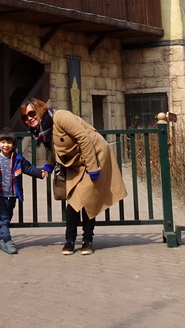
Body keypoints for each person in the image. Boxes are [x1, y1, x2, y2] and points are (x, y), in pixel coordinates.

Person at [20, 98, 127, 255]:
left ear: (41, 109)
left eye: (31, 113)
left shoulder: (61, 117)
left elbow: (84, 138)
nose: (29, 118)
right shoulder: (41, 130)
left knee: (88, 198)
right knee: (73, 200)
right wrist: (49, 166)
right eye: (24, 117)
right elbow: (55, 149)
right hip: (74, 164)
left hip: (94, 156)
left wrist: (92, 167)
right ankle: (70, 240)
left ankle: (87, 240)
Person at [0, 128, 45, 254]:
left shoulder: (17, 159)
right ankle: (8, 241)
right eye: (3, 142)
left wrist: (40, 172)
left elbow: (28, 168)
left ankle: (1, 240)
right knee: (2, 218)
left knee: (7, 217)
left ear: (13, 144)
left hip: (13, 194)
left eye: (9, 142)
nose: (6, 145)